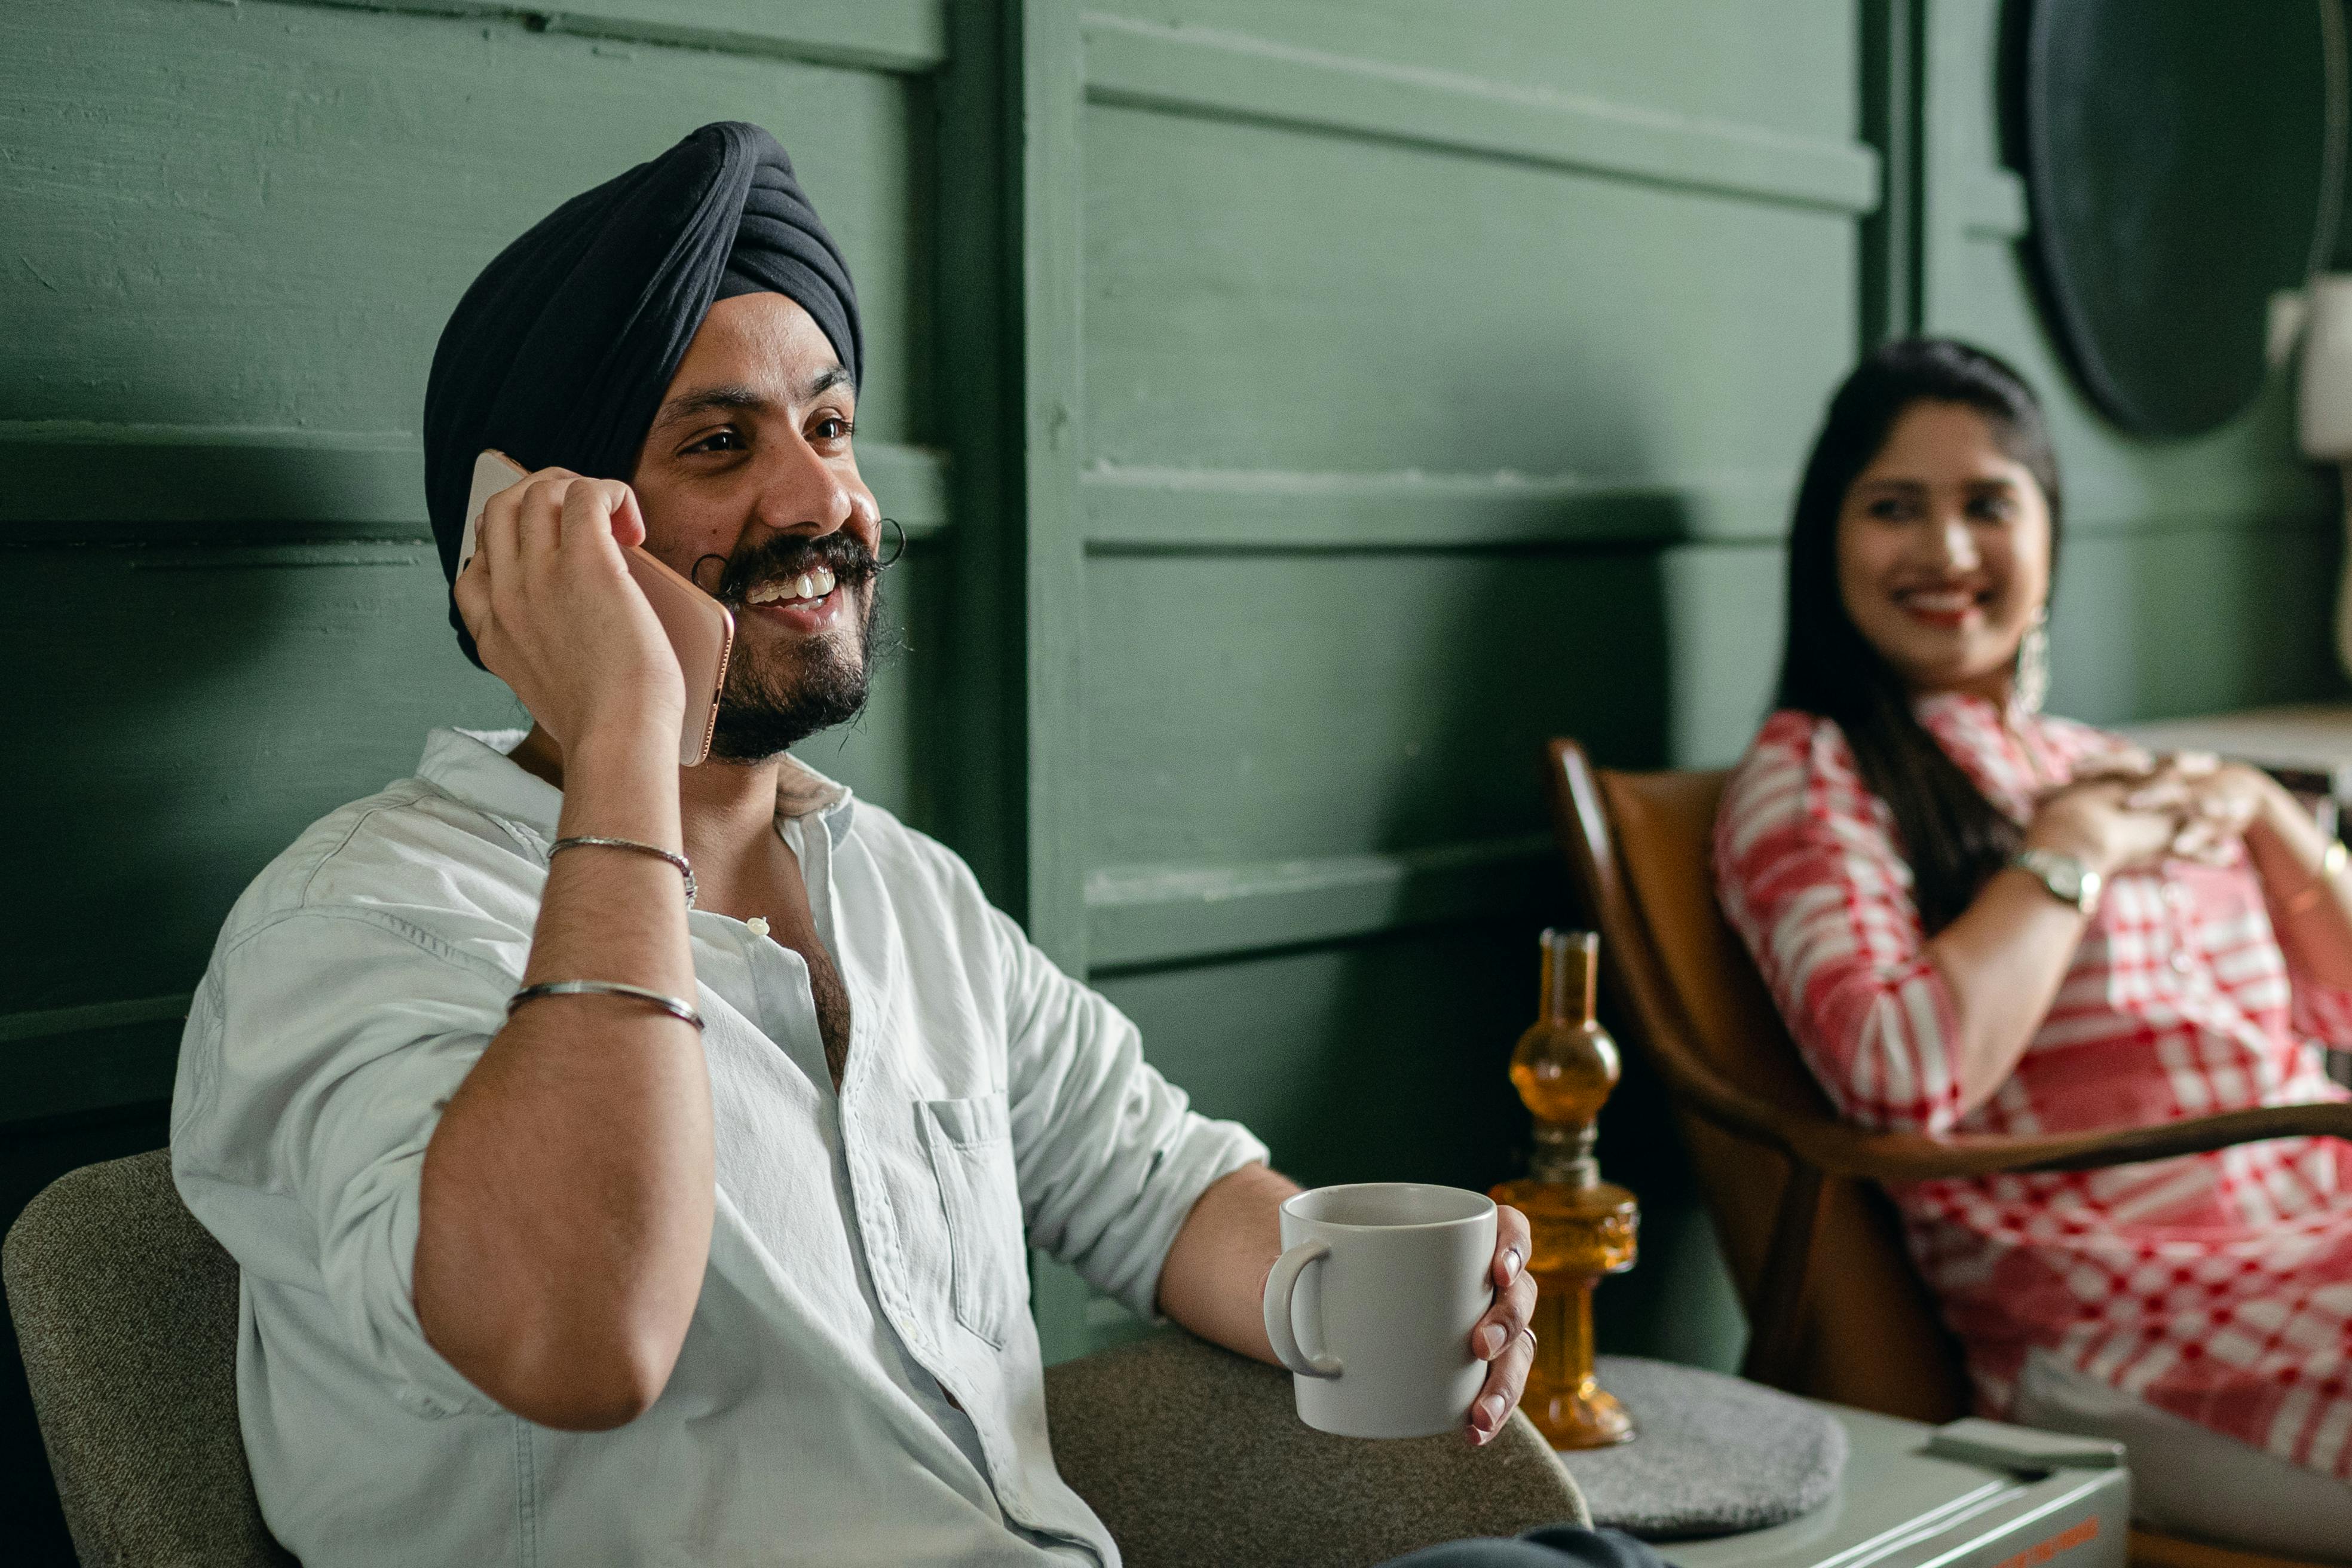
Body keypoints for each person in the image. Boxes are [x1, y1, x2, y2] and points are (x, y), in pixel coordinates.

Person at [168, 122, 1628, 1567]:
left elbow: (1163, 1186)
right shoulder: (354, 922)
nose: (820, 501)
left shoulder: (904, 892)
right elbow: (576, 1336)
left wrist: (1355, 1298)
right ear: (541, 537)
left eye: (829, 426)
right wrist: (623, 734)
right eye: (720, 443)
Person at [1713, 337, 2352, 1551]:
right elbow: (1903, 1071)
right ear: (1828, 542)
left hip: (2315, 1238)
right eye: (1894, 507)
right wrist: (2067, 852)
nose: (1947, 552)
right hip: (2125, 1318)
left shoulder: (2093, 755)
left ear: (2049, 536)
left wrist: (2266, 813)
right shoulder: (1813, 776)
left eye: (1988, 505)